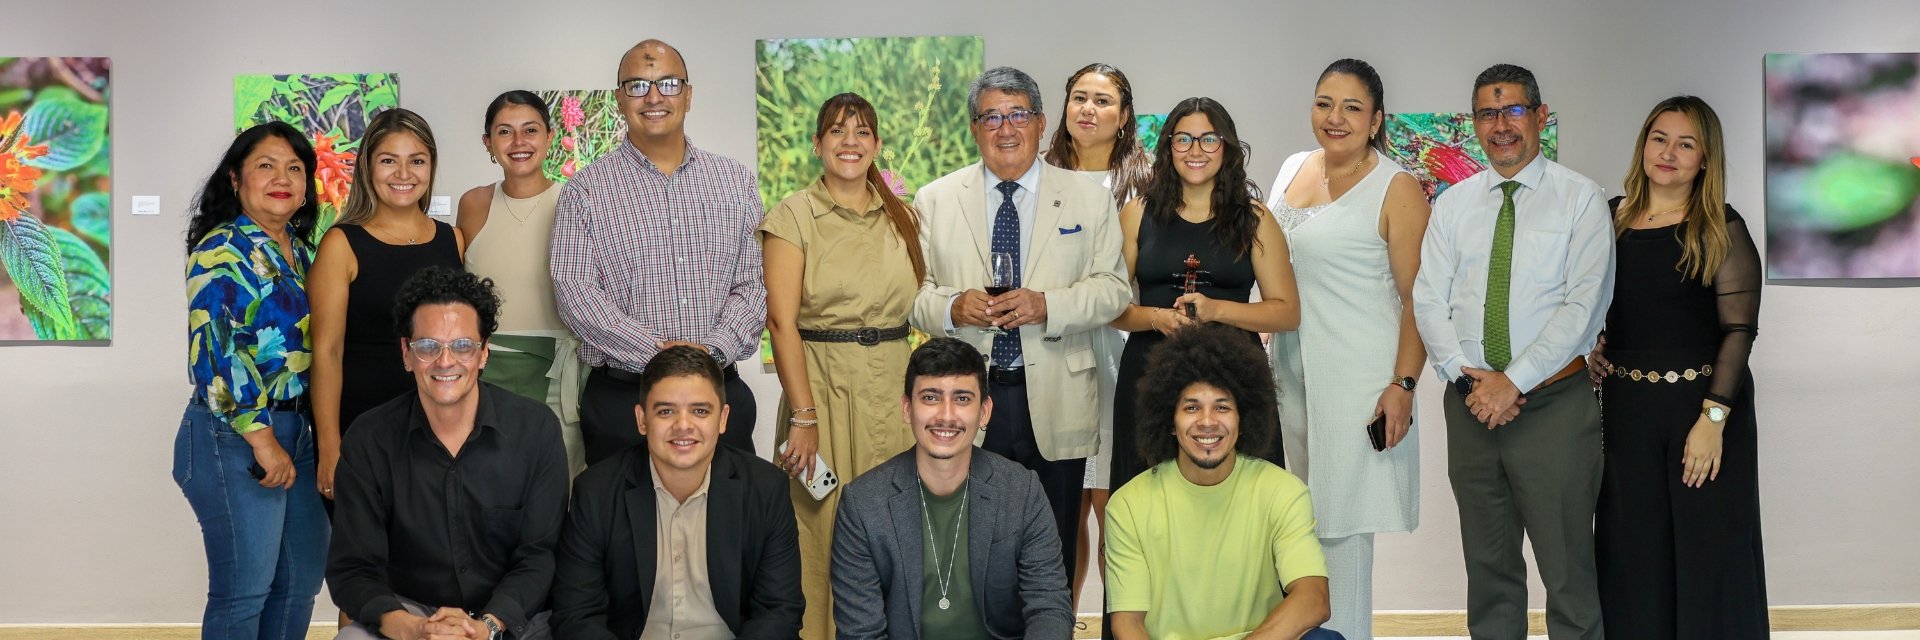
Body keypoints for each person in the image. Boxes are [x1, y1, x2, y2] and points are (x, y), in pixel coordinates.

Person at [1411, 63, 1614, 640]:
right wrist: (1468, 381)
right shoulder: (1453, 205)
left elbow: (1583, 308)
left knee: (1568, 574)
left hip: (1554, 408)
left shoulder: (1581, 199)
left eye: (1514, 110)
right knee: (1489, 572)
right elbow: (1429, 300)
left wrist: (1513, 382)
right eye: (1487, 113)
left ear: (1540, 116)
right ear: (1474, 123)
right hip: (1471, 407)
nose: (1500, 125)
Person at [908, 66, 1131, 582]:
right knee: (971, 550)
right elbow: (914, 298)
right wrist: (952, 307)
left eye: (1018, 115)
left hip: (1057, 394)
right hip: (970, 398)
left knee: (1053, 549)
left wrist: (1047, 304)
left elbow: (1113, 290)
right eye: (991, 117)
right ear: (974, 128)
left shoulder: (1088, 197)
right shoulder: (935, 199)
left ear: (1041, 122)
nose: (1005, 129)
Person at [1263, 58, 1429, 640]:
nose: (1335, 118)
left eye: (1352, 107)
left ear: (1376, 119)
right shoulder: (1292, 168)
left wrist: (1403, 385)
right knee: (1292, 531)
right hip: (1287, 379)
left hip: (1358, 384)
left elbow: (1418, 299)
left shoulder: (1396, 187)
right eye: (1324, 103)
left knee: (1342, 536)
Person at [1590, 95, 1767, 639]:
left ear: (1705, 158)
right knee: (1631, 552)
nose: (1668, 153)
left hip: (1704, 409)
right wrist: (1592, 347)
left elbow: (1739, 330)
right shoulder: (1608, 218)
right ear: (1644, 144)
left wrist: (1713, 421)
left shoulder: (1721, 226)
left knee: (1708, 552)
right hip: (1628, 412)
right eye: (1659, 138)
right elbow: (1592, 304)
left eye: (1686, 144)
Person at [553, 38, 766, 465]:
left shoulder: (735, 182)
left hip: (719, 393)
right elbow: (575, 292)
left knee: (733, 507)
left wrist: (711, 353)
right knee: (620, 509)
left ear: (688, 95)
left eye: (668, 84)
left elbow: (753, 286)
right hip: (622, 401)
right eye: (637, 85)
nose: (653, 97)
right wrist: (660, 355)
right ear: (619, 99)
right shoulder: (585, 190)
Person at [760, 92, 926, 639]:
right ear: (817, 144)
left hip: (894, 393)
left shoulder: (903, 217)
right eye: (837, 130)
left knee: (900, 523)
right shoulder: (793, 216)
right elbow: (781, 323)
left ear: (877, 145)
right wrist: (803, 417)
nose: (850, 142)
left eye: (861, 132)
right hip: (822, 393)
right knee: (822, 526)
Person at [327, 267, 569, 640]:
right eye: (428, 346)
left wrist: (487, 627)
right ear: (406, 353)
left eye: (462, 346)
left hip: (514, 620)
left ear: (484, 353)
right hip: (413, 613)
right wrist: (413, 629)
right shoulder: (369, 438)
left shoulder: (536, 430)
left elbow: (540, 555)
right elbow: (353, 568)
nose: (445, 361)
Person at [177, 121, 329, 640]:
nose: (282, 178)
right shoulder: (222, 248)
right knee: (244, 593)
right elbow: (216, 353)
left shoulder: (303, 251)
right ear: (235, 178)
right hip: (236, 435)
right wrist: (263, 441)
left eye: (294, 168)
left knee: (299, 584)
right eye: (266, 166)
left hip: (300, 432)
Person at [1108, 96, 1300, 490]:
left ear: (1226, 147)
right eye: (1184, 139)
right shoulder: (1137, 213)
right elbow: (1110, 307)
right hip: (1148, 375)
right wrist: (1158, 318)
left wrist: (1216, 311)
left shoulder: (1255, 219)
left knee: (1242, 499)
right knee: (1146, 496)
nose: (1195, 151)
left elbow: (1286, 312)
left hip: (1235, 378)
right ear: (1168, 147)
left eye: (1209, 139)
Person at [550, 345, 805, 640]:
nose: (683, 425)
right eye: (666, 411)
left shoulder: (765, 488)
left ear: (723, 419)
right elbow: (576, 616)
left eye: (700, 411)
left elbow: (779, 611)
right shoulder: (596, 492)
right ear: (642, 420)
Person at [1104, 324, 1340, 640]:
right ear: (1169, 421)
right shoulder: (1128, 505)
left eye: (1222, 407)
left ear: (1243, 419)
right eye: (1191, 407)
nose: (1207, 421)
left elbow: (1314, 598)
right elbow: (1128, 624)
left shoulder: (1282, 492)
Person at [830, 338, 1074, 639]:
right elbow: (861, 633)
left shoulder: (1022, 491)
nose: (946, 416)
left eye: (962, 399)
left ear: (984, 411)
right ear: (907, 408)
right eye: (930, 398)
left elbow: (1049, 607)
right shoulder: (863, 503)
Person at [311, 108, 465, 507]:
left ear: (431, 166)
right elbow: (327, 352)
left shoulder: (453, 240)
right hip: (365, 428)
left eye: (417, 161)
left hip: (439, 429)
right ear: (367, 167)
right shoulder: (342, 244)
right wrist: (329, 446)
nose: (404, 173)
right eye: (388, 161)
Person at [1039, 62, 1147, 608]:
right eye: (1079, 97)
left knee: (1114, 504)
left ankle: (1118, 623)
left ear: (1124, 116)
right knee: (1061, 509)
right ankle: (1060, 621)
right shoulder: (1035, 177)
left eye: (1103, 101)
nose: (1088, 109)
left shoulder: (1146, 186)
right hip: (1051, 349)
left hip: (1117, 355)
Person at [457, 90, 587, 477]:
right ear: (488, 142)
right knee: (488, 483)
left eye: (530, 130)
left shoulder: (574, 200)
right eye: (505, 132)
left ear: (550, 136)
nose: (518, 142)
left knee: (556, 486)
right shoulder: (473, 204)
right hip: (485, 369)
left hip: (556, 372)